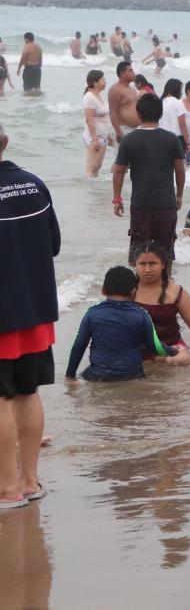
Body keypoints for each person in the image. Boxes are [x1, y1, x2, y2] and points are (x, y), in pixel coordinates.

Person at [0, 124, 59, 509]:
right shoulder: (34, 185)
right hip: (36, 310)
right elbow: (52, 244)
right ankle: (30, 481)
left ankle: (7, 489)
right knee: (27, 392)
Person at [64, 267, 184, 381]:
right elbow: (155, 346)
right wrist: (172, 351)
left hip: (99, 375)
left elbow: (78, 347)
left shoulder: (92, 314)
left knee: (84, 375)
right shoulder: (141, 314)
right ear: (133, 292)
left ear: (103, 291)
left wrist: (70, 375)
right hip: (132, 374)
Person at [112, 93, 184, 264]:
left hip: (140, 203)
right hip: (166, 203)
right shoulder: (172, 139)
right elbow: (180, 170)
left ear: (138, 113)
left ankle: (140, 286)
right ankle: (166, 286)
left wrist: (117, 198)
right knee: (165, 250)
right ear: (160, 114)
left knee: (139, 251)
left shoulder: (129, 140)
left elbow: (119, 171)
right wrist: (179, 195)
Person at [131, 243, 190, 364]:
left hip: (171, 347)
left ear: (163, 265)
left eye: (152, 263)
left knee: (185, 359)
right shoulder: (127, 290)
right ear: (134, 265)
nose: (147, 269)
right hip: (135, 348)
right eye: (142, 264)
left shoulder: (176, 292)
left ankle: (156, 359)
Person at [81, 69, 115, 177]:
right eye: (103, 80)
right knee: (91, 168)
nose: (105, 82)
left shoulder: (99, 96)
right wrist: (95, 139)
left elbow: (105, 117)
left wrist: (109, 135)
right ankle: (88, 190)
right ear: (95, 83)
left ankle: (94, 192)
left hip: (103, 136)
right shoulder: (89, 97)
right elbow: (89, 119)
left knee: (97, 167)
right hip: (94, 137)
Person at [157, 78, 190, 157]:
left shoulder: (159, 102)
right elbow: (182, 125)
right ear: (177, 90)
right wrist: (188, 142)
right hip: (175, 139)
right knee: (177, 165)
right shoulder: (178, 103)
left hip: (160, 138)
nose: (181, 92)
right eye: (180, 89)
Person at [108, 61, 141, 141]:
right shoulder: (116, 90)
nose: (134, 73)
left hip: (136, 130)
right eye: (130, 71)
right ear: (122, 73)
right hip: (124, 130)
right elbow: (112, 112)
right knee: (122, 153)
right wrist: (118, 131)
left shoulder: (132, 89)